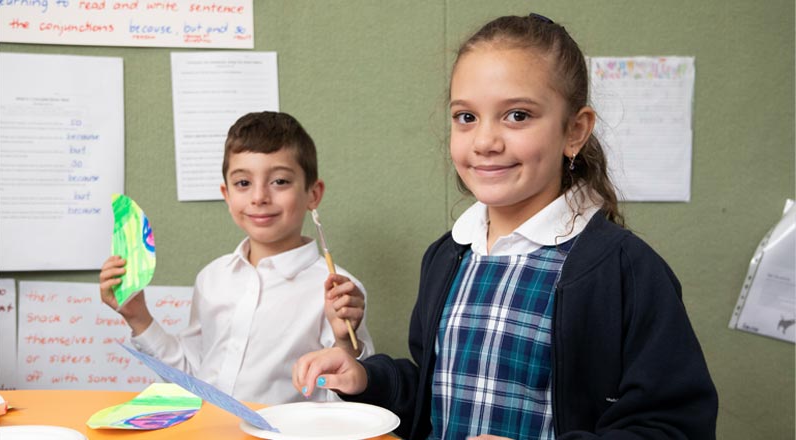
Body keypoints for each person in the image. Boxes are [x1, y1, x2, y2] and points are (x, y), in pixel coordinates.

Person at [292, 13, 717, 440]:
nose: (485, 141)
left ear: (575, 131)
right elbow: (432, 394)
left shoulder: (628, 270)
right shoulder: (447, 256)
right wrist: (367, 378)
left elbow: (675, 428)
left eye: (517, 115)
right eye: (466, 117)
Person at [100, 111, 374, 404]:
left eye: (279, 181)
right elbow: (192, 379)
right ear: (227, 194)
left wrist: (345, 343)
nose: (259, 197)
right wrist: (137, 316)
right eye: (243, 183)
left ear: (313, 194)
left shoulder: (336, 292)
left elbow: (348, 402)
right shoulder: (212, 279)